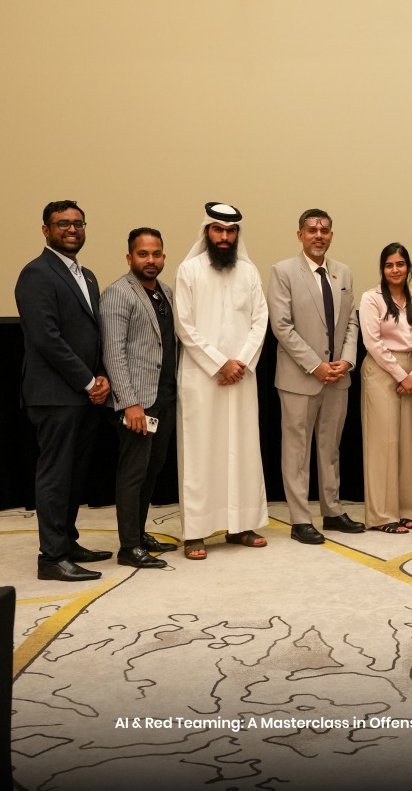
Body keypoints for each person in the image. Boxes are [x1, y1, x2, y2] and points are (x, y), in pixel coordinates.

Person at [15, 200, 113, 581]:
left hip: (84, 393)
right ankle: (51, 558)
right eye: (62, 224)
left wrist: (101, 377)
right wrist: (88, 382)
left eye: (78, 223)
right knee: (56, 475)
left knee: (74, 474)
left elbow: (94, 333)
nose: (72, 230)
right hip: (55, 394)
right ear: (46, 230)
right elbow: (47, 338)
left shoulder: (86, 275)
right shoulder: (36, 274)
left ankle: (67, 542)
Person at [174, 202, 269, 560]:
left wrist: (240, 361)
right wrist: (219, 364)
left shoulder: (249, 272)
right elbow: (184, 325)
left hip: (241, 377)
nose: (224, 237)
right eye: (218, 230)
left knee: (242, 449)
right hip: (203, 378)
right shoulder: (189, 270)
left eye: (230, 231)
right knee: (201, 453)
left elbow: (261, 320)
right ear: (207, 232)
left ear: (237, 234)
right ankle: (195, 532)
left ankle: (241, 525)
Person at [268, 209, 364, 545]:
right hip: (300, 378)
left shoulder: (344, 273)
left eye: (324, 230)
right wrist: (315, 365)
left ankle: (333, 511)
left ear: (332, 235)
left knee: (330, 447)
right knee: (296, 451)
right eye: (312, 230)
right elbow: (281, 325)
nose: (318, 235)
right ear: (300, 235)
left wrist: (347, 360)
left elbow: (352, 322)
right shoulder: (283, 272)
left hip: (338, 377)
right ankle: (299, 519)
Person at [100, 227, 180, 569]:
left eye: (157, 253)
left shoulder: (167, 292)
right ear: (130, 257)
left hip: (164, 398)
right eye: (143, 254)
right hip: (137, 403)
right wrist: (129, 403)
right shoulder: (118, 293)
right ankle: (128, 546)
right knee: (133, 473)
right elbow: (113, 353)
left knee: (152, 469)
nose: (151, 260)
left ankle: (140, 532)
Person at [359, 243, 412, 534]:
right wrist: (400, 375)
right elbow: (372, 342)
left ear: (408, 267)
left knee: (409, 442)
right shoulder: (371, 299)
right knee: (383, 443)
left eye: (400, 264)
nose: (395, 270)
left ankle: (407, 509)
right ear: (383, 269)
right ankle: (382, 515)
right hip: (382, 370)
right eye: (389, 265)